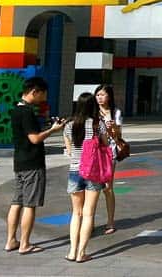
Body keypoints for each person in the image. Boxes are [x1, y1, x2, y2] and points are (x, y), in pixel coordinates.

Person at [4, 77, 65, 254]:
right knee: (30, 205)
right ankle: (25, 244)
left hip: (20, 162)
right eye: (43, 94)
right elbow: (34, 138)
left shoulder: (16, 110)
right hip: (32, 163)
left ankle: (11, 241)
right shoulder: (27, 112)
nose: (44, 97)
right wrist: (53, 130)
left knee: (17, 202)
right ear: (34, 91)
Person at [63, 93, 107, 263]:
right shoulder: (97, 124)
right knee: (88, 214)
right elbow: (104, 144)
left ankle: (72, 251)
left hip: (75, 171)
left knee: (76, 213)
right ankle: (82, 253)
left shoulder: (69, 125)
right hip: (93, 172)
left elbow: (69, 150)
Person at [94, 84, 122, 235]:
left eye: (102, 95)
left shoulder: (115, 112)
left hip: (109, 153)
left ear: (109, 96)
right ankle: (88, 219)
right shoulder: (92, 112)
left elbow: (118, 135)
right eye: (98, 95)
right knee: (91, 187)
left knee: (107, 188)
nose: (99, 98)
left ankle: (110, 221)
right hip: (92, 153)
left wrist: (113, 128)